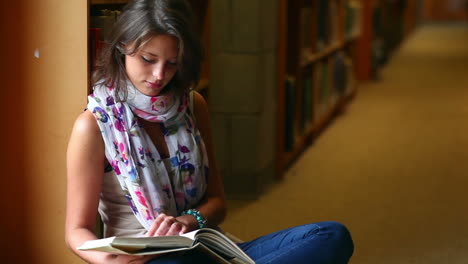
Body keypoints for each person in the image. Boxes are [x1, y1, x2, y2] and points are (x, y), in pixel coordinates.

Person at [65, 0, 354, 263]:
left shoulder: (192, 105)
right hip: (150, 260)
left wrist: (188, 222)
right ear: (122, 48)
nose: (159, 75)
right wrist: (111, 262)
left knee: (331, 236)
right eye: (148, 59)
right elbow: (76, 230)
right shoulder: (93, 125)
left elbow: (218, 203)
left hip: (207, 248)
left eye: (172, 63)